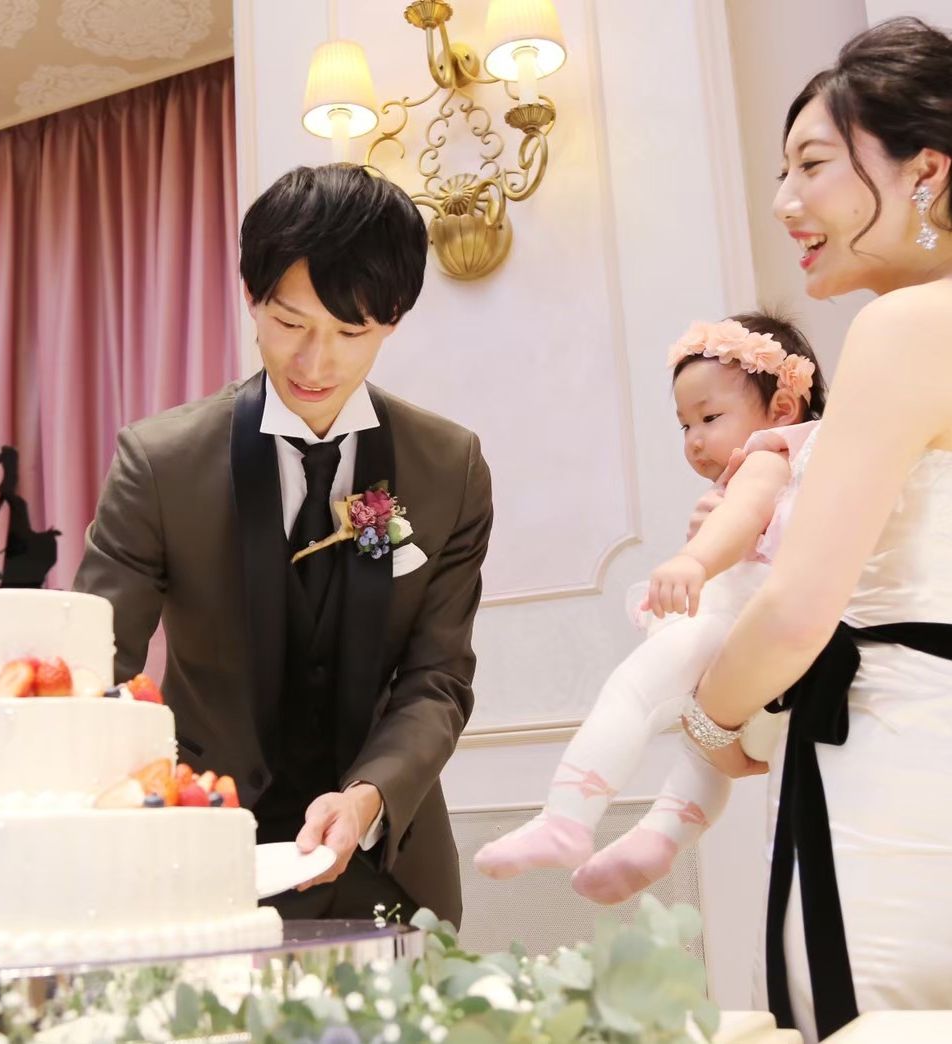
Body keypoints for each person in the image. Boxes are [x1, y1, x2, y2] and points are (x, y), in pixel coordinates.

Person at [73, 163, 493, 925]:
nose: (315, 363)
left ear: (394, 319)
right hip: (200, 864)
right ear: (251, 297)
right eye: (291, 323)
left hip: (388, 870)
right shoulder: (162, 465)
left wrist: (368, 797)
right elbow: (96, 671)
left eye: (351, 333)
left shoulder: (447, 468)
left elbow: (436, 677)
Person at [683, 19, 952, 1042]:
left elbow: (800, 608)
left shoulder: (902, 328)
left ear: (925, 169)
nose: (783, 201)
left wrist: (711, 721)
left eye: (811, 165)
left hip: (896, 789)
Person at [474, 312, 825, 905]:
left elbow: (743, 520)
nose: (694, 440)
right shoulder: (810, 468)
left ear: (783, 408)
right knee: (699, 755)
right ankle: (659, 837)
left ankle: (567, 817)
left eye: (709, 418)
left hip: (739, 628)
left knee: (633, 690)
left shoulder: (768, 458)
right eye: (685, 424)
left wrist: (694, 560)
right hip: (779, 678)